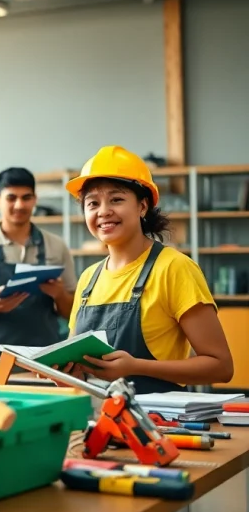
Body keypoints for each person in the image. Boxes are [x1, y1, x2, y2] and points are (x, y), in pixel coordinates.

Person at [60, 146, 233, 392]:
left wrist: (136, 367)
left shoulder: (174, 268)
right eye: (92, 203)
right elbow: (75, 361)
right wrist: (64, 372)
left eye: (116, 199)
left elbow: (221, 366)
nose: (103, 211)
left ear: (142, 207)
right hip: (96, 418)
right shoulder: (89, 279)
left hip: (159, 422)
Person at [0, 167, 78, 378]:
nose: (19, 205)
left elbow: (73, 314)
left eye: (26, 197)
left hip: (45, 361)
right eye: (11, 198)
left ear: (35, 199)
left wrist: (59, 295)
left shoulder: (56, 247)